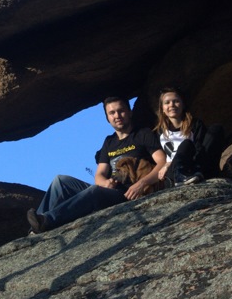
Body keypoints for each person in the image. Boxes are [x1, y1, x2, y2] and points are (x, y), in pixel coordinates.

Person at [27, 96, 166, 233]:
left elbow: (162, 162)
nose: (117, 115)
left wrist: (141, 184)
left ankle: (48, 220)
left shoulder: (143, 134)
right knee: (60, 181)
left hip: (127, 194)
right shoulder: (109, 142)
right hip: (109, 190)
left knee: (94, 191)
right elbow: (99, 174)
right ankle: (36, 227)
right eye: (112, 113)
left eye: (121, 110)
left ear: (129, 112)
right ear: (107, 118)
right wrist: (105, 183)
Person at [154, 87, 224, 185]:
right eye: (167, 102)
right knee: (186, 144)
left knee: (216, 129)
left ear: (183, 104)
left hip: (196, 163)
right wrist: (167, 165)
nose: (172, 105)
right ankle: (180, 177)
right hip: (172, 170)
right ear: (162, 108)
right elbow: (160, 158)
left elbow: (200, 148)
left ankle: (200, 173)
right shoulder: (159, 132)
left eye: (176, 101)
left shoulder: (195, 124)